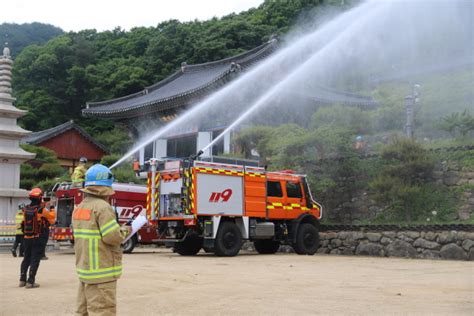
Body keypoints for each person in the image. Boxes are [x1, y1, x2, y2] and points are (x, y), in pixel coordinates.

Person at [72, 164, 130, 315]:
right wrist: (125, 230)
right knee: (103, 311)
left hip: (86, 272)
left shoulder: (79, 207)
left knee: (82, 312)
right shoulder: (103, 208)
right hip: (102, 275)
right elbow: (112, 237)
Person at [19, 188, 55, 289]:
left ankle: (22, 280)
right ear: (40, 198)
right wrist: (51, 208)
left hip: (27, 237)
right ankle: (31, 282)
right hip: (38, 238)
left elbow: (23, 222)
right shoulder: (41, 210)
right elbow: (52, 219)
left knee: (26, 258)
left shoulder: (25, 209)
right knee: (35, 259)